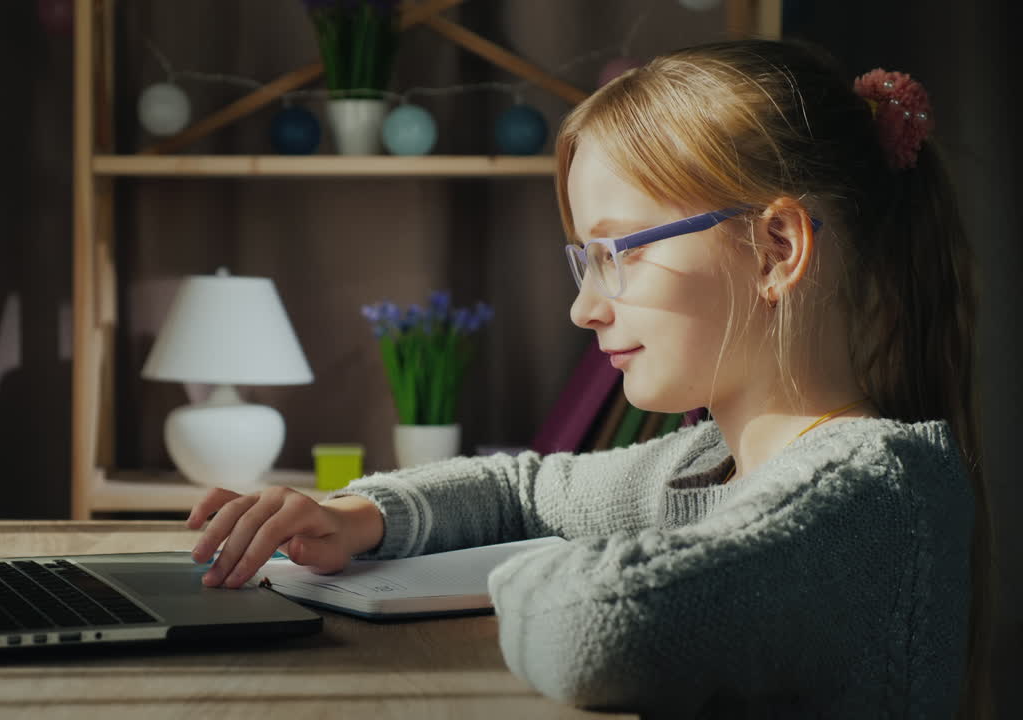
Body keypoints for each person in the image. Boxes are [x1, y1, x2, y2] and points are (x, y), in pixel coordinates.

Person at [185, 39, 993, 718]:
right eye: (587, 260)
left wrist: (493, 573)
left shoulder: (868, 495)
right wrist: (358, 516)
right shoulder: (706, 462)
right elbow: (522, 491)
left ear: (777, 248)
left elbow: (594, 625)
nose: (584, 308)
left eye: (620, 252)